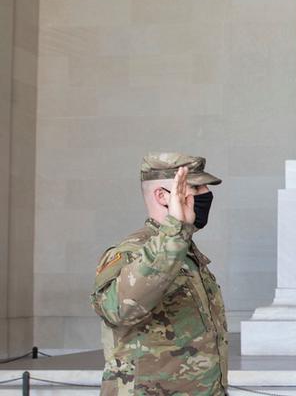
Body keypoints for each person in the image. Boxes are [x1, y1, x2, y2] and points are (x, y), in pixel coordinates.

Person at [90, 153, 228, 395]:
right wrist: (175, 232)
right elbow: (118, 310)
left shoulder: (184, 252)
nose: (205, 194)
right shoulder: (133, 250)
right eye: (195, 188)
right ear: (163, 196)